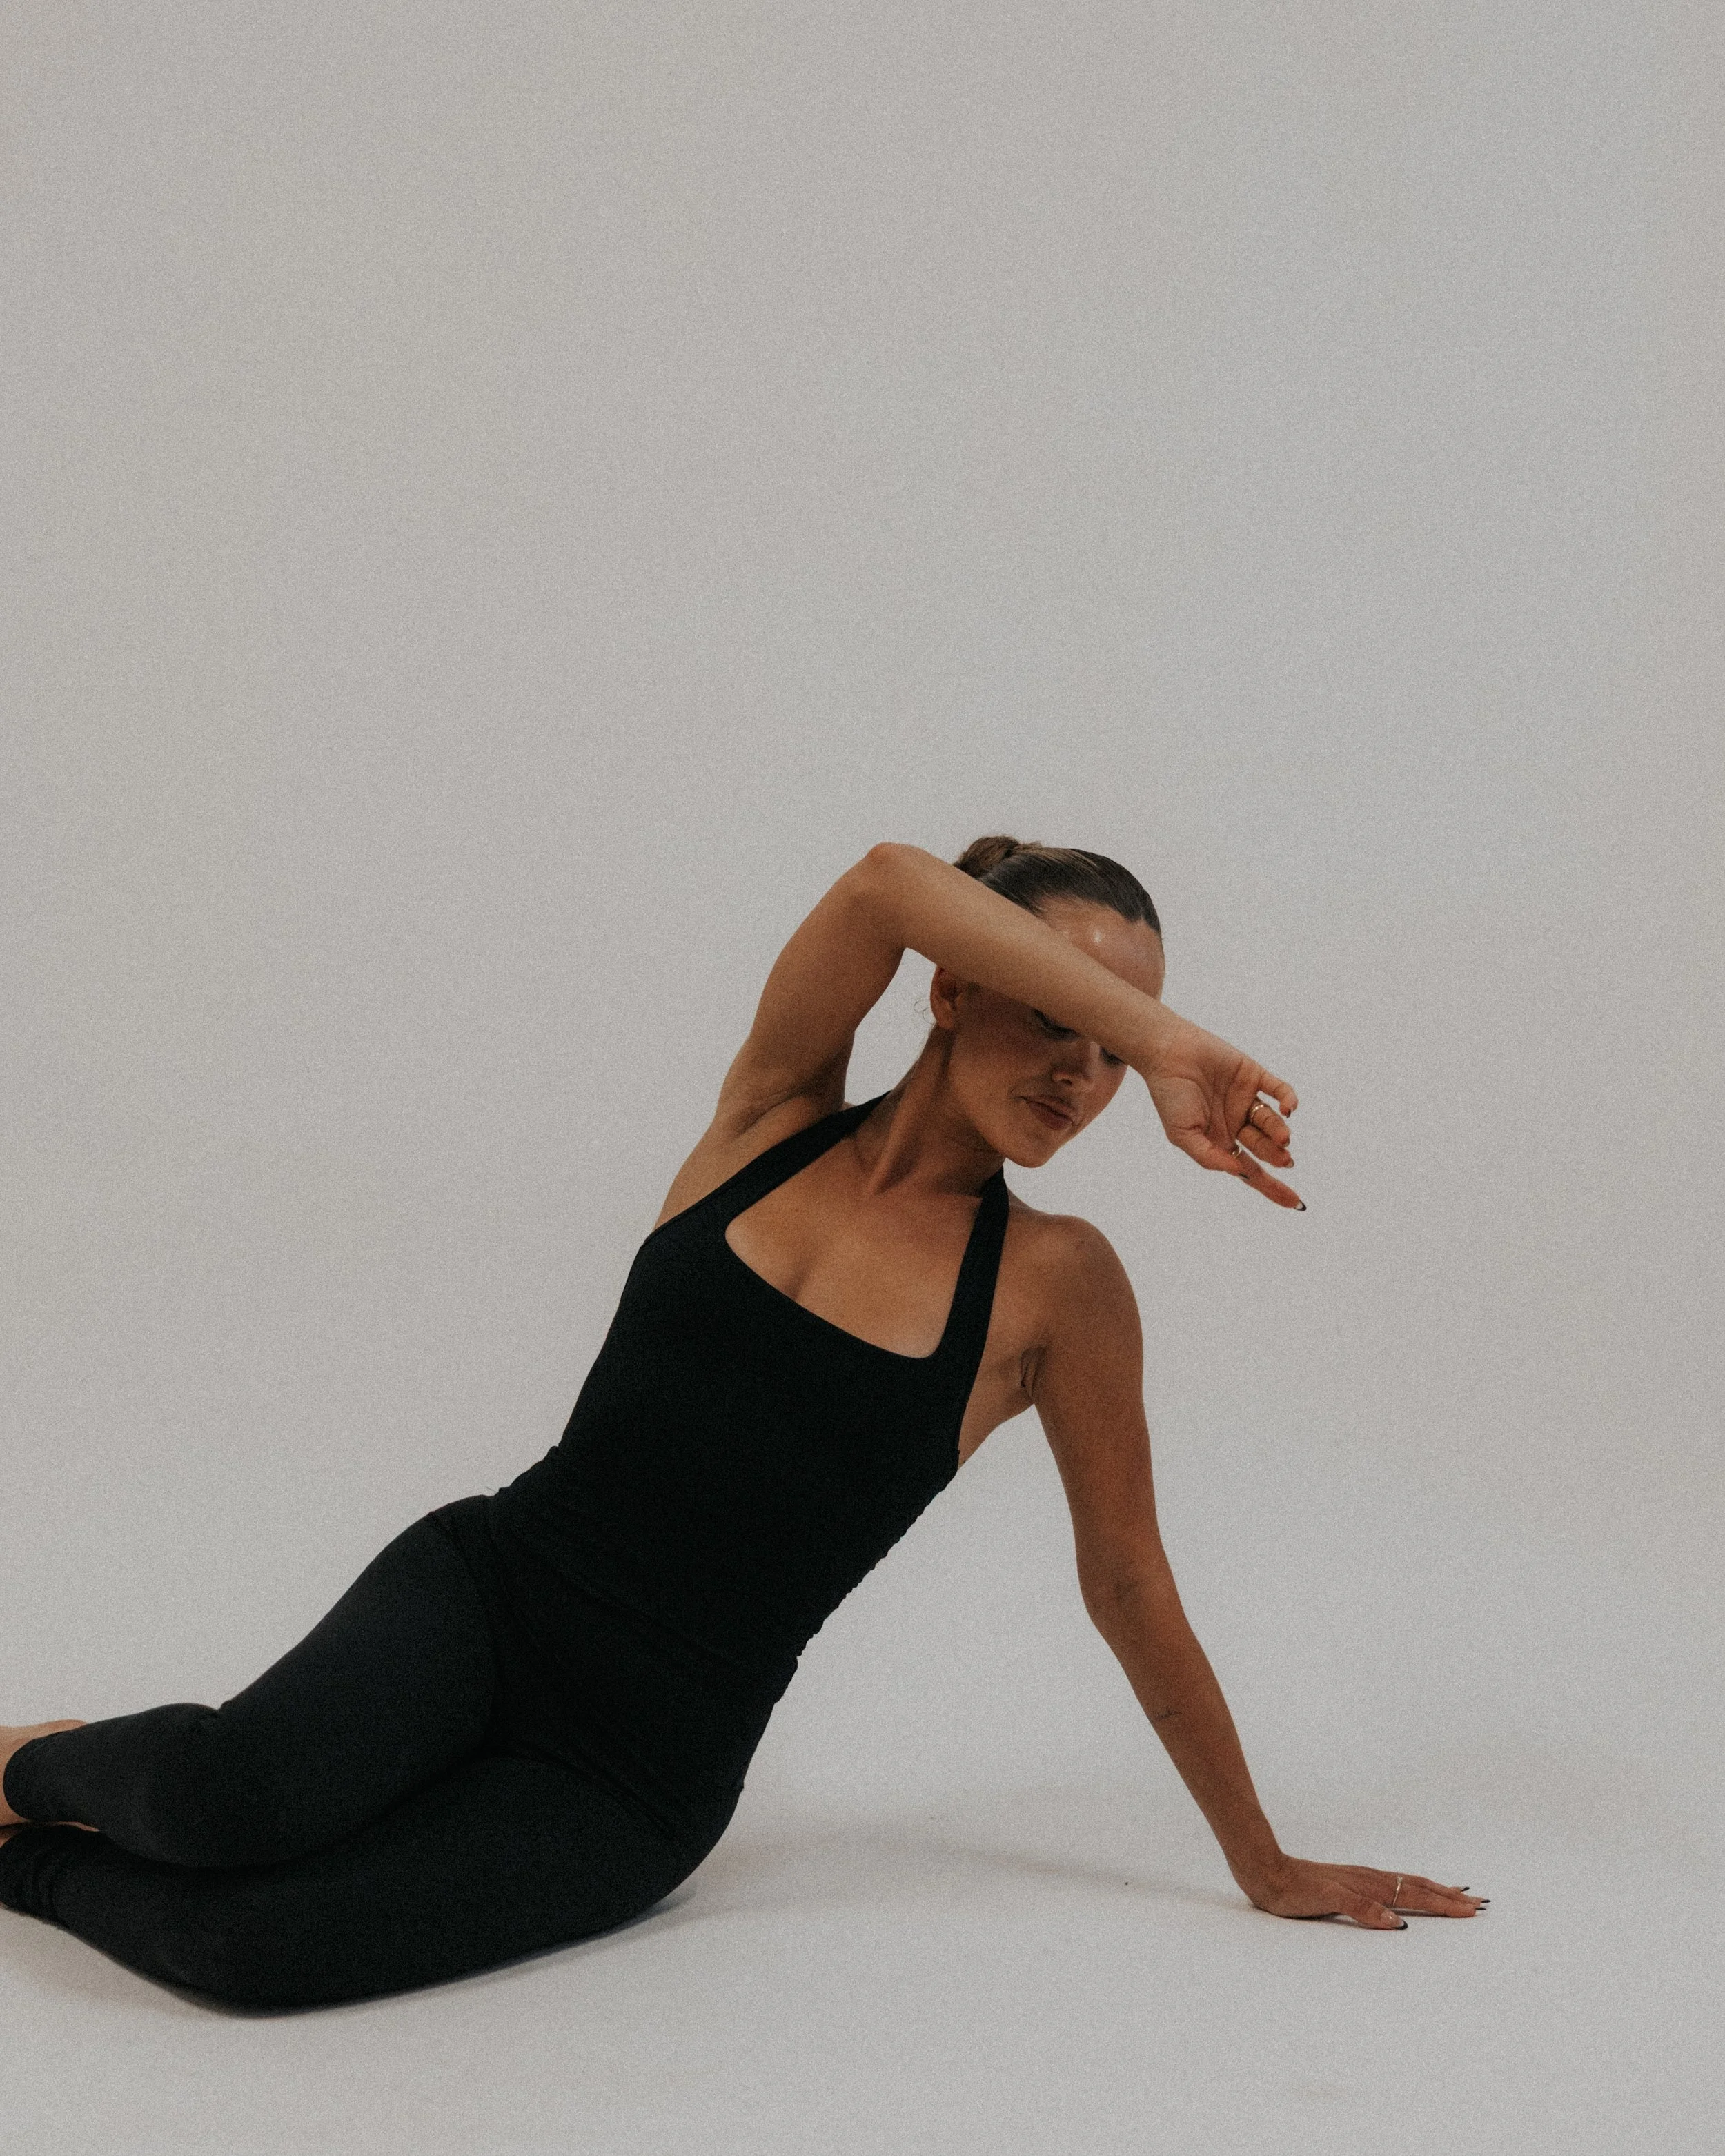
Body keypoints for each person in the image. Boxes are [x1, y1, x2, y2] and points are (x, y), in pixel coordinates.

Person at [0, 835, 1486, 2009]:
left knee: (260, 1947)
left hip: (634, 1771)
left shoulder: (1054, 1286)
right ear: (952, 985)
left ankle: (22, 1866)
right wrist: (1167, 1037)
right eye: (1062, 1017)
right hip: (489, 1592)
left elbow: (1127, 1582)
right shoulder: (773, 1116)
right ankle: (26, 1762)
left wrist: (1259, 1856)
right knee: (224, 1798)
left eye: (1110, 1055)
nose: (1083, 1074)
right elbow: (884, 884)